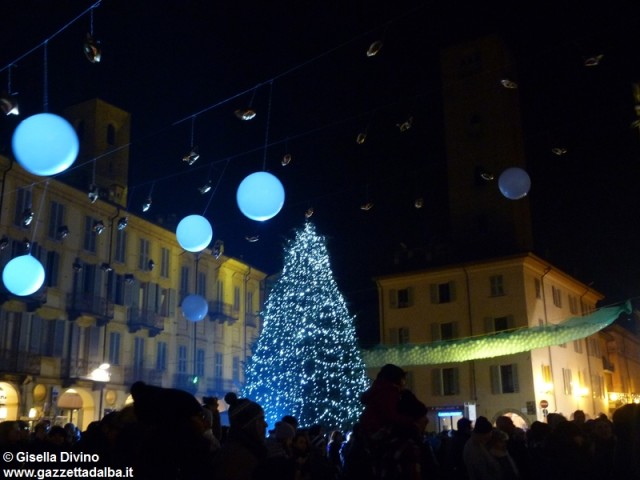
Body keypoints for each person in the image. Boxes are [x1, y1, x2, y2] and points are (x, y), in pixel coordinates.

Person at [213, 392, 292, 480]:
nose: (265, 424)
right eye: (261, 419)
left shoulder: (246, 451)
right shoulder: (241, 460)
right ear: (249, 425)